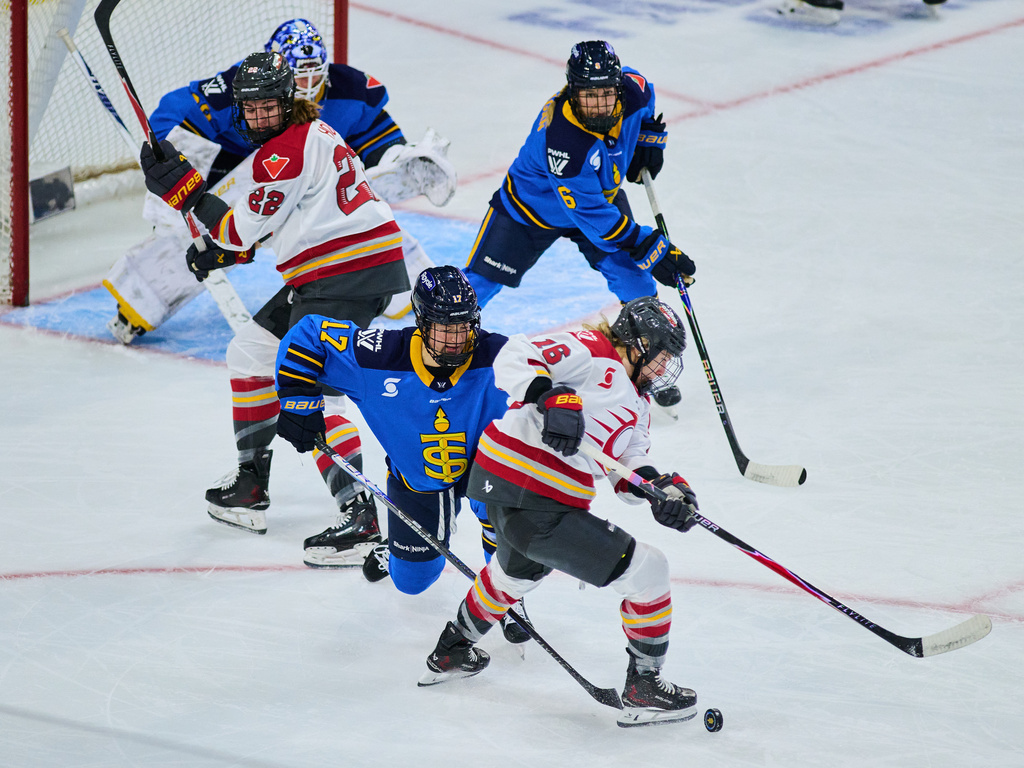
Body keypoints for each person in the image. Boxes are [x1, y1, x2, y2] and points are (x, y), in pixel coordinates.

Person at [139, 51, 409, 541]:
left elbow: (239, 231)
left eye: (270, 106)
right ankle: (250, 485)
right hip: (345, 269)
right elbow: (277, 226)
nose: (261, 116)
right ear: (240, 110)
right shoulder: (310, 137)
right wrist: (225, 252)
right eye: (252, 108)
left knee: (314, 389)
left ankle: (362, 515)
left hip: (344, 277)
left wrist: (189, 192)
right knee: (251, 352)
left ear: (289, 103)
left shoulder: (283, 152)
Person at [418, 296, 701, 727]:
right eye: (661, 356)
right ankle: (643, 685)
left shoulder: (639, 407)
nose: (663, 369)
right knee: (650, 571)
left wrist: (661, 491)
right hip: (532, 494)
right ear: (637, 341)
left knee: (513, 574)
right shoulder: (591, 349)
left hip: (520, 497)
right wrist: (550, 395)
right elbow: (516, 355)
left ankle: (452, 650)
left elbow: (627, 470)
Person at [105, 18, 455, 344]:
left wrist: (398, 160)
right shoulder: (242, 87)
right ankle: (141, 302)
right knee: (205, 234)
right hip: (247, 175)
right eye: (296, 79)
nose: (306, 88)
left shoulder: (349, 89)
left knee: (360, 212)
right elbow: (180, 110)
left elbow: (377, 136)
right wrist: (171, 157)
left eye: (313, 77)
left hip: (315, 188)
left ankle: (411, 291)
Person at [272, 266, 529, 644]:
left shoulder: (503, 354)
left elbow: (565, 369)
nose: (457, 338)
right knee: (412, 583)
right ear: (422, 322)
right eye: (445, 328)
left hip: (487, 469)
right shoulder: (378, 355)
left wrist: (563, 407)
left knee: (503, 515)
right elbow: (307, 334)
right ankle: (394, 549)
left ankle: (507, 594)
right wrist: (298, 403)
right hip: (417, 477)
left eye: (464, 326)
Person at [462, 40, 695, 407]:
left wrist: (649, 135)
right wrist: (650, 245)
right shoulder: (564, 141)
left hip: (597, 195)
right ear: (572, 92)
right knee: (476, 286)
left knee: (637, 283)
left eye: (606, 93)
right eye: (589, 95)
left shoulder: (632, 90)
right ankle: (436, 346)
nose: (600, 104)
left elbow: (645, 91)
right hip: (529, 210)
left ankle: (647, 367)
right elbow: (594, 217)